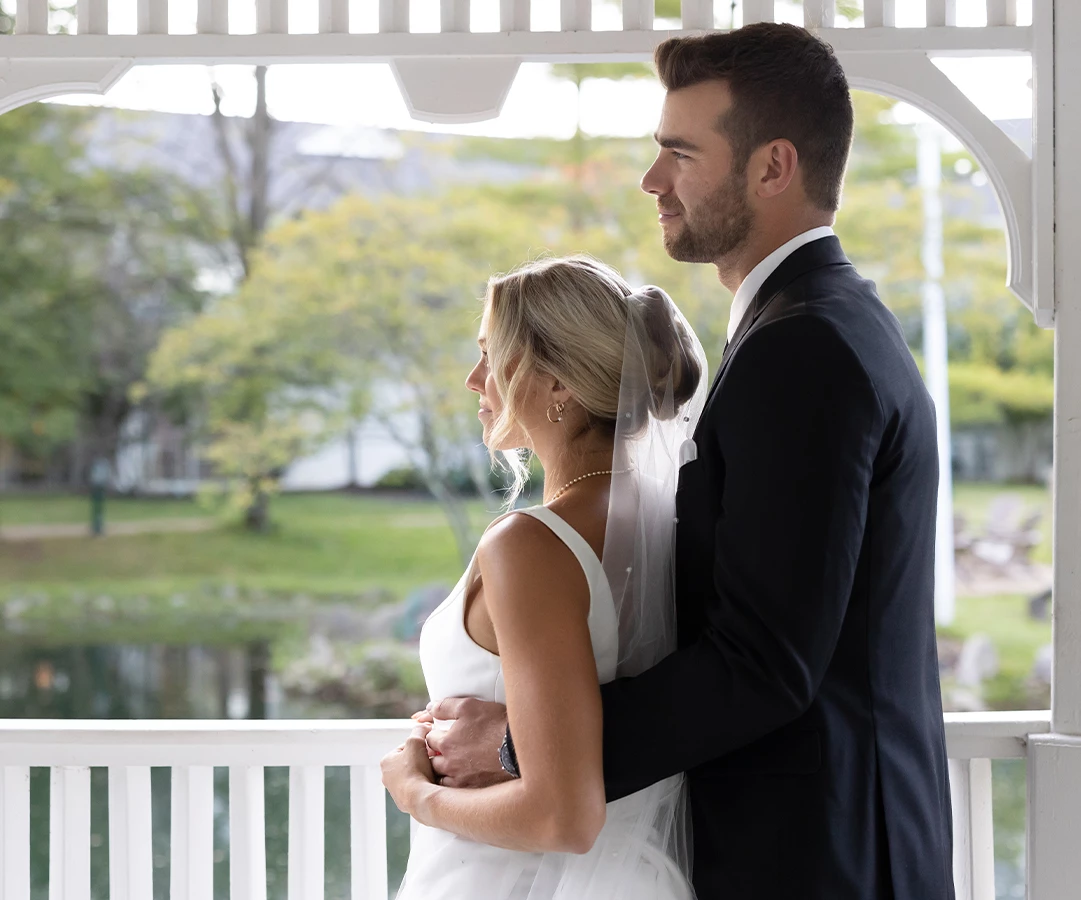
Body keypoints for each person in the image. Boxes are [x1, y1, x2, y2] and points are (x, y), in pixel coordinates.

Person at [407, 22, 955, 900]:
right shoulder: (826, 321)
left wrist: (518, 750)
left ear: (773, 167)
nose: (651, 180)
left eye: (679, 153)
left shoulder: (803, 347)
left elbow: (765, 661)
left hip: (817, 860)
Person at [381, 255, 708, 899]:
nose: (474, 379)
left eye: (491, 355)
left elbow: (562, 816)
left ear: (559, 382)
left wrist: (416, 793)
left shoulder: (530, 545)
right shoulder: (669, 516)